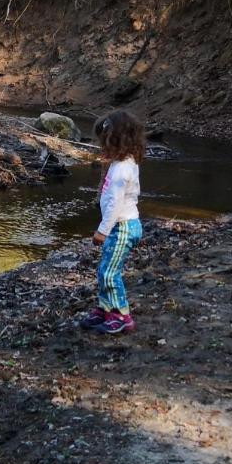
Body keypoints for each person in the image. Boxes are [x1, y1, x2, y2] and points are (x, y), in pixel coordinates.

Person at [79, 110, 144, 335]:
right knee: (105, 268)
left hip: (122, 226)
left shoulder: (121, 170)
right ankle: (105, 308)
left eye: (104, 144)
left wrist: (102, 231)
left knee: (109, 273)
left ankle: (122, 316)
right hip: (121, 225)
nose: (101, 149)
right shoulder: (123, 163)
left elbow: (116, 205)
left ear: (116, 142)